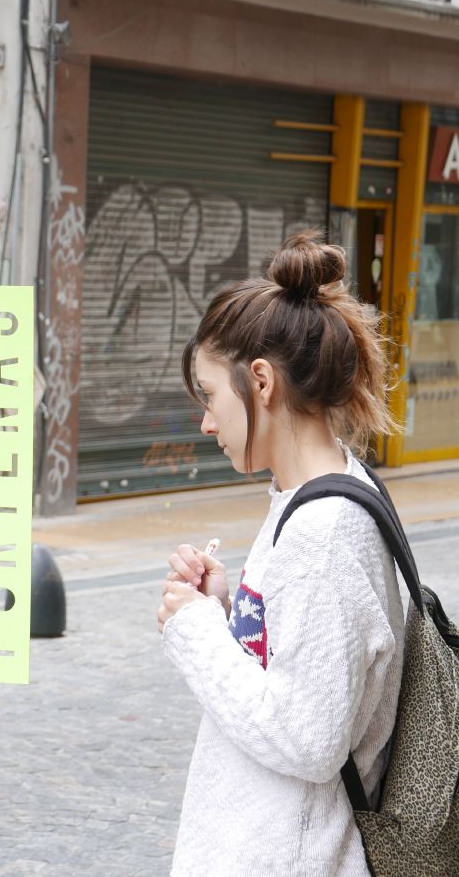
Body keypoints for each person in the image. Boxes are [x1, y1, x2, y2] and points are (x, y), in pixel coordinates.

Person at [156, 231, 404, 876]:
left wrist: (195, 630)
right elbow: (305, 661)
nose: (207, 422)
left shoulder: (324, 535)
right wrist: (227, 608)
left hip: (288, 856)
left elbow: (308, 738)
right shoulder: (313, 497)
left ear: (260, 381)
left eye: (210, 396)